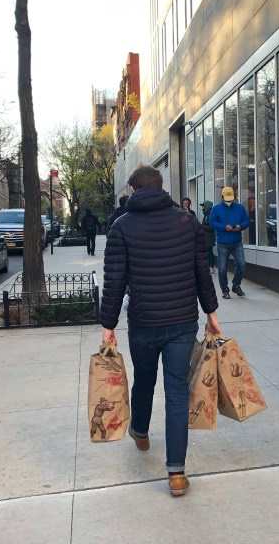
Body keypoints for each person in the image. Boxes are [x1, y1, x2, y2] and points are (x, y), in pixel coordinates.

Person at [100, 165, 221, 497]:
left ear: (134, 190)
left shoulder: (121, 226)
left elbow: (114, 281)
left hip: (143, 321)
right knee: (178, 392)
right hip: (183, 321)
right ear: (161, 186)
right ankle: (177, 473)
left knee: (144, 379)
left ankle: (139, 430)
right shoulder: (187, 222)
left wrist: (108, 325)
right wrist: (211, 313)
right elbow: (202, 272)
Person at [209, 186, 250, 299]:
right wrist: (223, 227)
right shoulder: (216, 208)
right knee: (222, 268)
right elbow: (211, 222)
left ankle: (236, 285)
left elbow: (246, 220)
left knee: (241, 264)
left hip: (236, 241)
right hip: (223, 242)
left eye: (231, 199)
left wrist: (240, 226)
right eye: (227, 199)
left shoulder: (240, 208)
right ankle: (224, 289)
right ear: (222, 197)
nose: (229, 201)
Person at [201, 200, 216, 273]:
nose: (202, 207)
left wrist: (202, 226)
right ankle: (209, 266)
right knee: (208, 252)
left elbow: (212, 228)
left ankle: (211, 267)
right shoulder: (206, 214)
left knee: (209, 252)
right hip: (207, 238)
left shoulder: (210, 215)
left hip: (209, 238)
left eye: (203, 206)